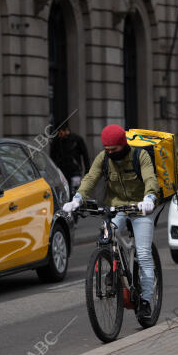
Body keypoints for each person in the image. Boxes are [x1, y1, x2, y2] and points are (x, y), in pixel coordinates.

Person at [62, 124, 159, 319]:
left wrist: (149, 198)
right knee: (106, 234)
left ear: (123, 145)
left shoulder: (140, 156)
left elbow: (150, 178)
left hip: (141, 209)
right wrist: (77, 199)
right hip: (117, 207)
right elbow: (91, 177)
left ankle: (147, 301)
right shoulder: (104, 157)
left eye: (114, 150)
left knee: (143, 253)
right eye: (107, 149)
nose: (110, 153)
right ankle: (112, 268)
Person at [50, 123, 91, 197]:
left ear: (66, 131)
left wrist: (87, 170)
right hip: (62, 171)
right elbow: (52, 156)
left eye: (60, 132)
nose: (59, 134)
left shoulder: (77, 139)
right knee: (64, 192)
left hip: (75, 170)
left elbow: (85, 155)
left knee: (75, 191)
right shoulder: (57, 141)